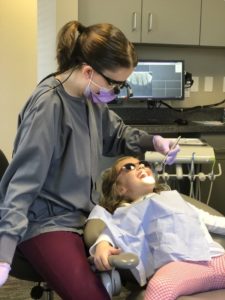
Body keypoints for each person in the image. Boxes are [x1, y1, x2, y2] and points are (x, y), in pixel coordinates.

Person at [0, 20, 179, 299]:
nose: (117, 93)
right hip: (47, 222)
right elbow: (21, 185)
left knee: (147, 264)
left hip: (84, 214)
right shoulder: (49, 106)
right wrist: (4, 253)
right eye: (116, 84)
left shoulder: (90, 98)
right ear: (88, 71)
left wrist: (151, 141)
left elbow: (117, 133)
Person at [88, 156, 225, 300]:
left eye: (143, 164)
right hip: (180, 267)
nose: (141, 167)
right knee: (160, 287)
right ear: (120, 188)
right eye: (129, 167)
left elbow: (213, 221)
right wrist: (102, 246)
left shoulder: (175, 199)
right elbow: (112, 232)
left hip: (216, 258)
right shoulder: (127, 213)